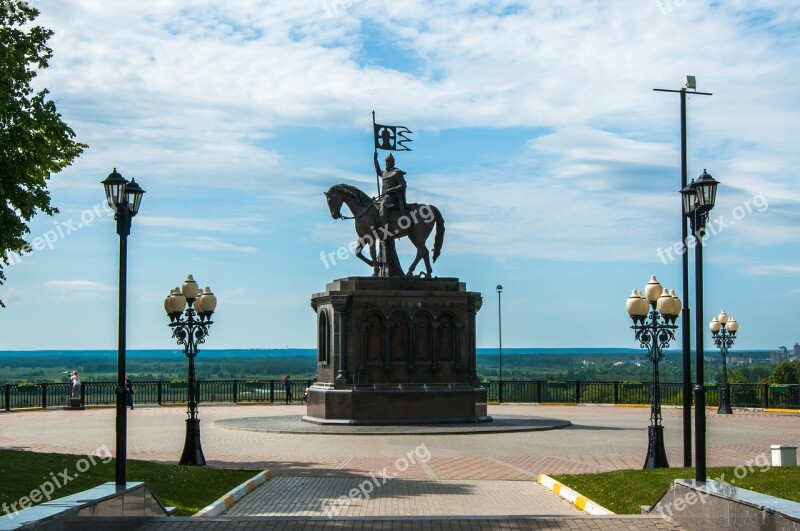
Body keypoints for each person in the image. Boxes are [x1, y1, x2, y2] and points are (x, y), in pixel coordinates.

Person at [374, 152, 408, 227]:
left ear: (392, 163)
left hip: (393, 196)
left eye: (388, 162)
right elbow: (378, 171)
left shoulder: (397, 172)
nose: (386, 164)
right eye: (386, 162)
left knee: (382, 208)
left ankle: (386, 230)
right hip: (384, 196)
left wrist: (391, 189)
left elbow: (403, 185)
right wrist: (375, 160)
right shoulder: (384, 173)